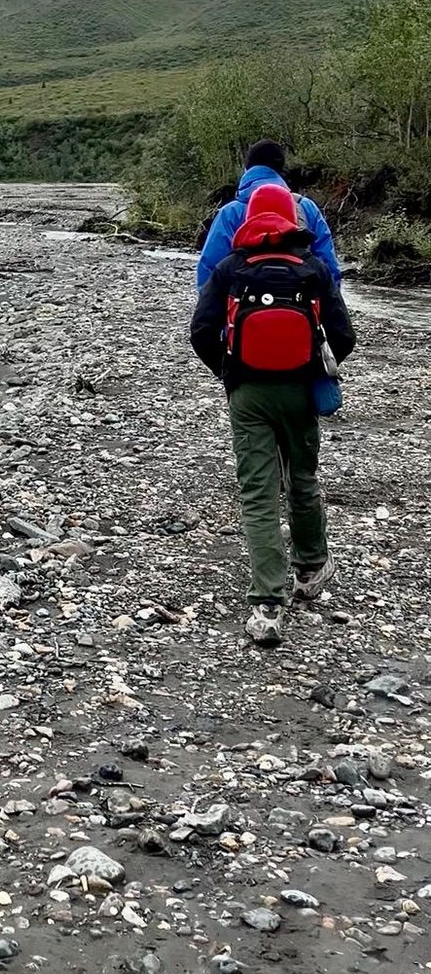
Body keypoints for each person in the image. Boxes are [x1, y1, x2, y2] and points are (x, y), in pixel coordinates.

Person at [190, 181, 355, 647]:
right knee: (302, 479)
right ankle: (311, 569)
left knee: (258, 493)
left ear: (249, 219)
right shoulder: (314, 268)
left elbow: (202, 331)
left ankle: (267, 602)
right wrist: (314, 367)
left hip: (247, 394)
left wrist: (229, 372)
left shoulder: (230, 268)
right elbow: (343, 336)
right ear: (292, 218)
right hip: (301, 392)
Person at [196, 140, 341, 291]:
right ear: (280, 169)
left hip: (243, 306)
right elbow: (328, 265)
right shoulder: (306, 207)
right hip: (301, 306)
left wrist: (211, 309)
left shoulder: (230, 212)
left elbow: (210, 266)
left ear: (247, 168)